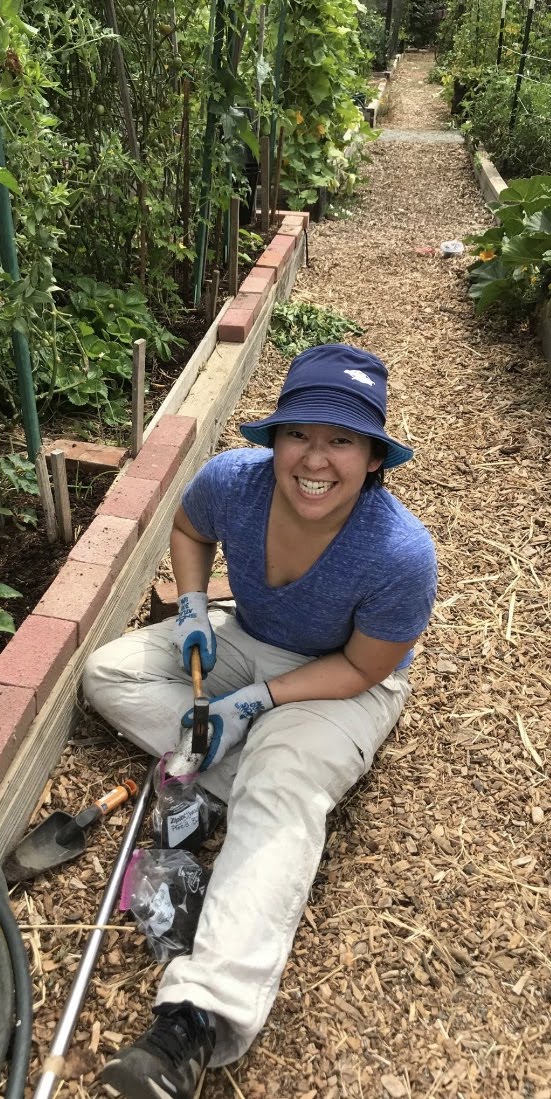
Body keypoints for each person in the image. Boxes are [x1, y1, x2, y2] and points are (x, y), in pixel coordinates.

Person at [83, 343, 437, 1099]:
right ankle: (262, 793)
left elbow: (367, 668)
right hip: (243, 637)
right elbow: (187, 529)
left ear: (373, 458)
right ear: (273, 441)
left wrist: (253, 704)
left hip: (342, 680)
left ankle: (198, 1018)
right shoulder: (231, 482)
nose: (317, 458)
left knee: (279, 773)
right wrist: (188, 607)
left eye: (341, 439)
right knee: (108, 673)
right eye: (299, 432)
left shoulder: (400, 553)